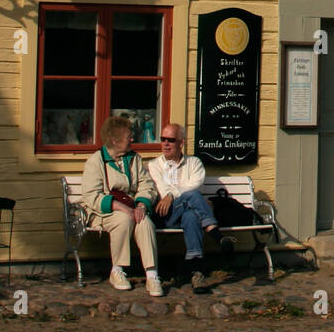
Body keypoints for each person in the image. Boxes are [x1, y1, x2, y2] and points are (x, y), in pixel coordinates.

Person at [81, 115, 163, 296]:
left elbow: (146, 185)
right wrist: (121, 207)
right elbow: (91, 196)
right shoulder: (96, 161)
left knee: (145, 222)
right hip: (103, 212)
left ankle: (152, 275)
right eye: (128, 137)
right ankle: (117, 270)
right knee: (124, 219)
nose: (132, 139)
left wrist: (141, 204)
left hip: (132, 207)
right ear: (115, 140)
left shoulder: (134, 159)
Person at [147, 124, 229, 288]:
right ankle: (214, 232)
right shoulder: (154, 165)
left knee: (192, 215)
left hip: (187, 213)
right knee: (191, 196)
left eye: (171, 140)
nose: (165, 144)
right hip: (165, 216)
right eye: (163, 139)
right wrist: (170, 195)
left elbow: (196, 185)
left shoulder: (194, 163)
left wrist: (172, 194)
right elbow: (163, 191)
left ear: (181, 143)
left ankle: (196, 271)